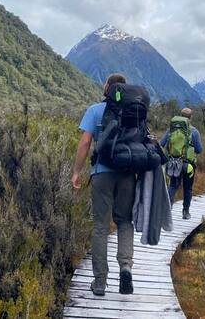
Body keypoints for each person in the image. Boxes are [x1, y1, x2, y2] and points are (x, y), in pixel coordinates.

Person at [71, 74, 135, 296]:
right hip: (127, 174)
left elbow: (85, 142)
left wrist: (77, 171)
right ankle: (125, 267)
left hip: (102, 174)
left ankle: (100, 281)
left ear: (107, 88)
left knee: (100, 227)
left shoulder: (95, 110)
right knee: (125, 221)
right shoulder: (134, 111)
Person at [160, 107, 203, 219]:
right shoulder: (194, 131)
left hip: (173, 164)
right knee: (188, 188)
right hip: (188, 165)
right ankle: (185, 212)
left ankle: (167, 212)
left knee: (173, 186)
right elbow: (199, 150)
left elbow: (162, 143)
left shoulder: (171, 130)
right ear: (191, 117)